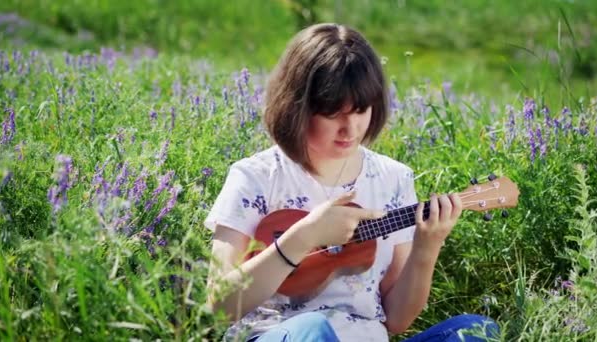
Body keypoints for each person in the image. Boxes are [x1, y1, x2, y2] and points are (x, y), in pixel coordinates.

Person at [204, 23, 500, 342]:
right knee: (313, 330)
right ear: (296, 106)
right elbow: (219, 304)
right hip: (283, 335)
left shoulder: (393, 179)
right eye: (333, 113)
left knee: (477, 330)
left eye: (360, 110)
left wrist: (428, 247)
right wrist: (305, 236)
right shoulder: (255, 176)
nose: (350, 128)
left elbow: (397, 320)